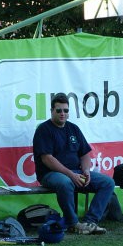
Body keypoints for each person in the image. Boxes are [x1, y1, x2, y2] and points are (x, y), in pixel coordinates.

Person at [32, 93, 115, 235]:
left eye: (65, 110)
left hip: (76, 172)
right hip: (51, 174)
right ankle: (73, 223)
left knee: (107, 182)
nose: (62, 113)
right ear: (52, 111)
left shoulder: (73, 129)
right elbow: (47, 159)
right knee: (65, 182)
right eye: (58, 110)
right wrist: (71, 174)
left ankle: (90, 221)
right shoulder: (44, 129)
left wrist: (87, 171)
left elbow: (85, 154)